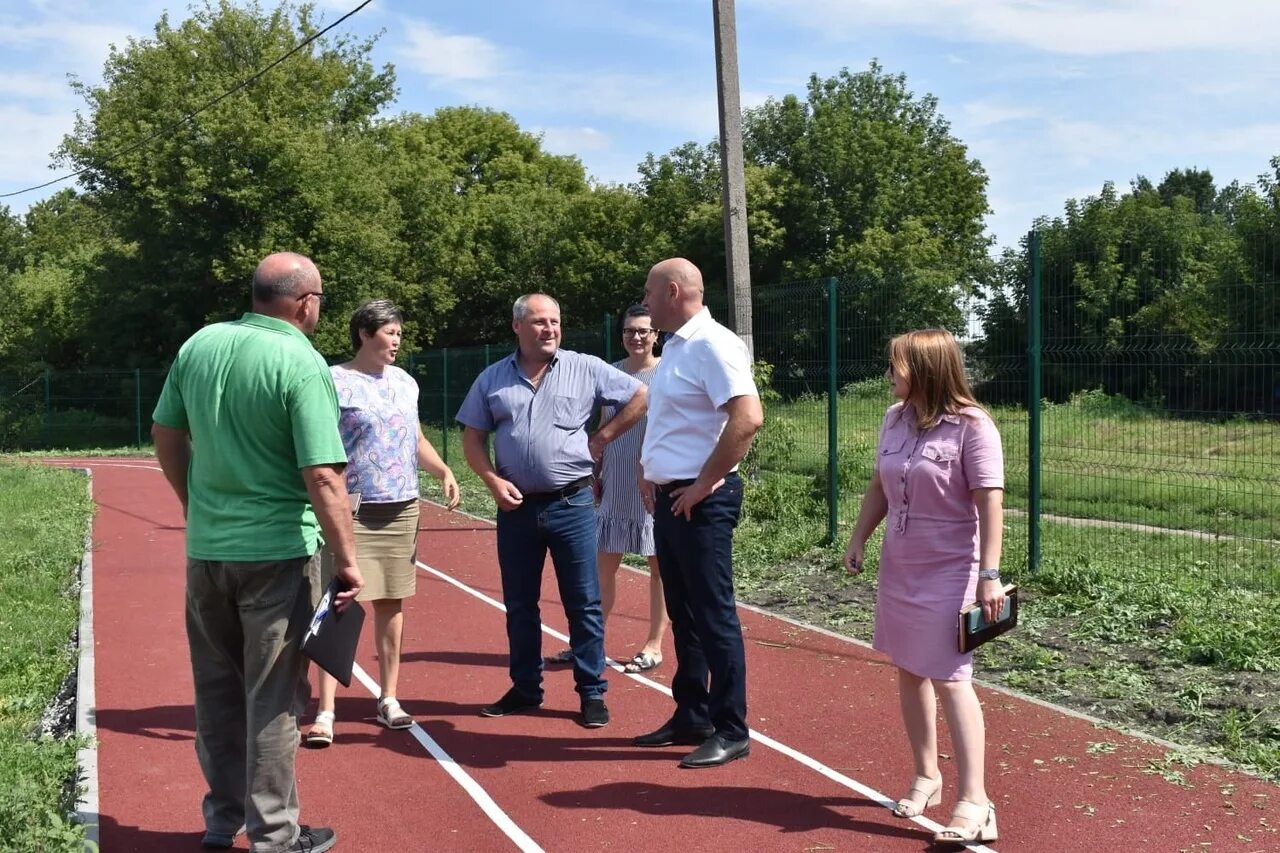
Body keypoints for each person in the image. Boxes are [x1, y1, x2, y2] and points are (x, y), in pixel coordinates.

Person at [151, 252, 363, 853]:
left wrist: (194, 504)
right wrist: (347, 562)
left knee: (216, 693)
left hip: (209, 551)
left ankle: (222, 824)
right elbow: (323, 475)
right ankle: (275, 835)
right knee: (271, 698)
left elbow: (165, 431)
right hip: (277, 552)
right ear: (303, 302)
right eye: (319, 297)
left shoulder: (201, 345)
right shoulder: (301, 362)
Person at [843, 328, 1005, 846]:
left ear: (924, 369)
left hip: (954, 569)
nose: (888, 374)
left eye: (895, 365)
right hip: (902, 566)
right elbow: (879, 485)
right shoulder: (894, 418)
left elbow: (990, 502)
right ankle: (926, 777)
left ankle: (975, 800)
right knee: (910, 670)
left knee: (952, 677)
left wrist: (990, 575)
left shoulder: (973, 426)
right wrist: (859, 538)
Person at [455, 293, 648, 728]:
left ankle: (591, 692)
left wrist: (601, 439)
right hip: (517, 508)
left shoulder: (584, 366)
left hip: (572, 503)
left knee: (583, 602)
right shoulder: (491, 379)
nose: (550, 329)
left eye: (555, 321)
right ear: (517, 326)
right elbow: (472, 440)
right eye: (540, 321)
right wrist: (491, 480)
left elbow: (640, 396)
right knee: (521, 604)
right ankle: (526, 688)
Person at [305, 299, 460, 748]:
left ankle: (389, 698)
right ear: (363, 334)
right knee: (337, 605)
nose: (397, 340)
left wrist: (443, 471)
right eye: (390, 332)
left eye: (399, 333)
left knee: (391, 604)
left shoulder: (405, 384)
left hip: (400, 507)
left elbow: (414, 437)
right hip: (350, 509)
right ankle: (326, 710)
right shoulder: (335, 381)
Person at [633, 258, 763, 769]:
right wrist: (649, 467)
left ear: (672, 291)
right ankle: (691, 713)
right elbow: (674, 422)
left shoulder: (714, 344)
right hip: (672, 497)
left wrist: (704, 484)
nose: (644, 301)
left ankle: (731, 728)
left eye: (648, 292)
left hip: (702, 501)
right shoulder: (677, 349)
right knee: (683, 613)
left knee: (713, 615)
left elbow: (748, 418)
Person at [551, 305, 671, 672]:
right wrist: (595, 472)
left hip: (654, 478)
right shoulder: (613, 372)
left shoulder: (668, 372)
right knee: (603, 563)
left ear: (656, 335)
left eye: (644, 331)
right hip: (616, 476)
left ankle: (654, 644)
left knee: (658, 565)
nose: (637, 336)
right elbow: (603, 426)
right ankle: (589, 641)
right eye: (630, 330)